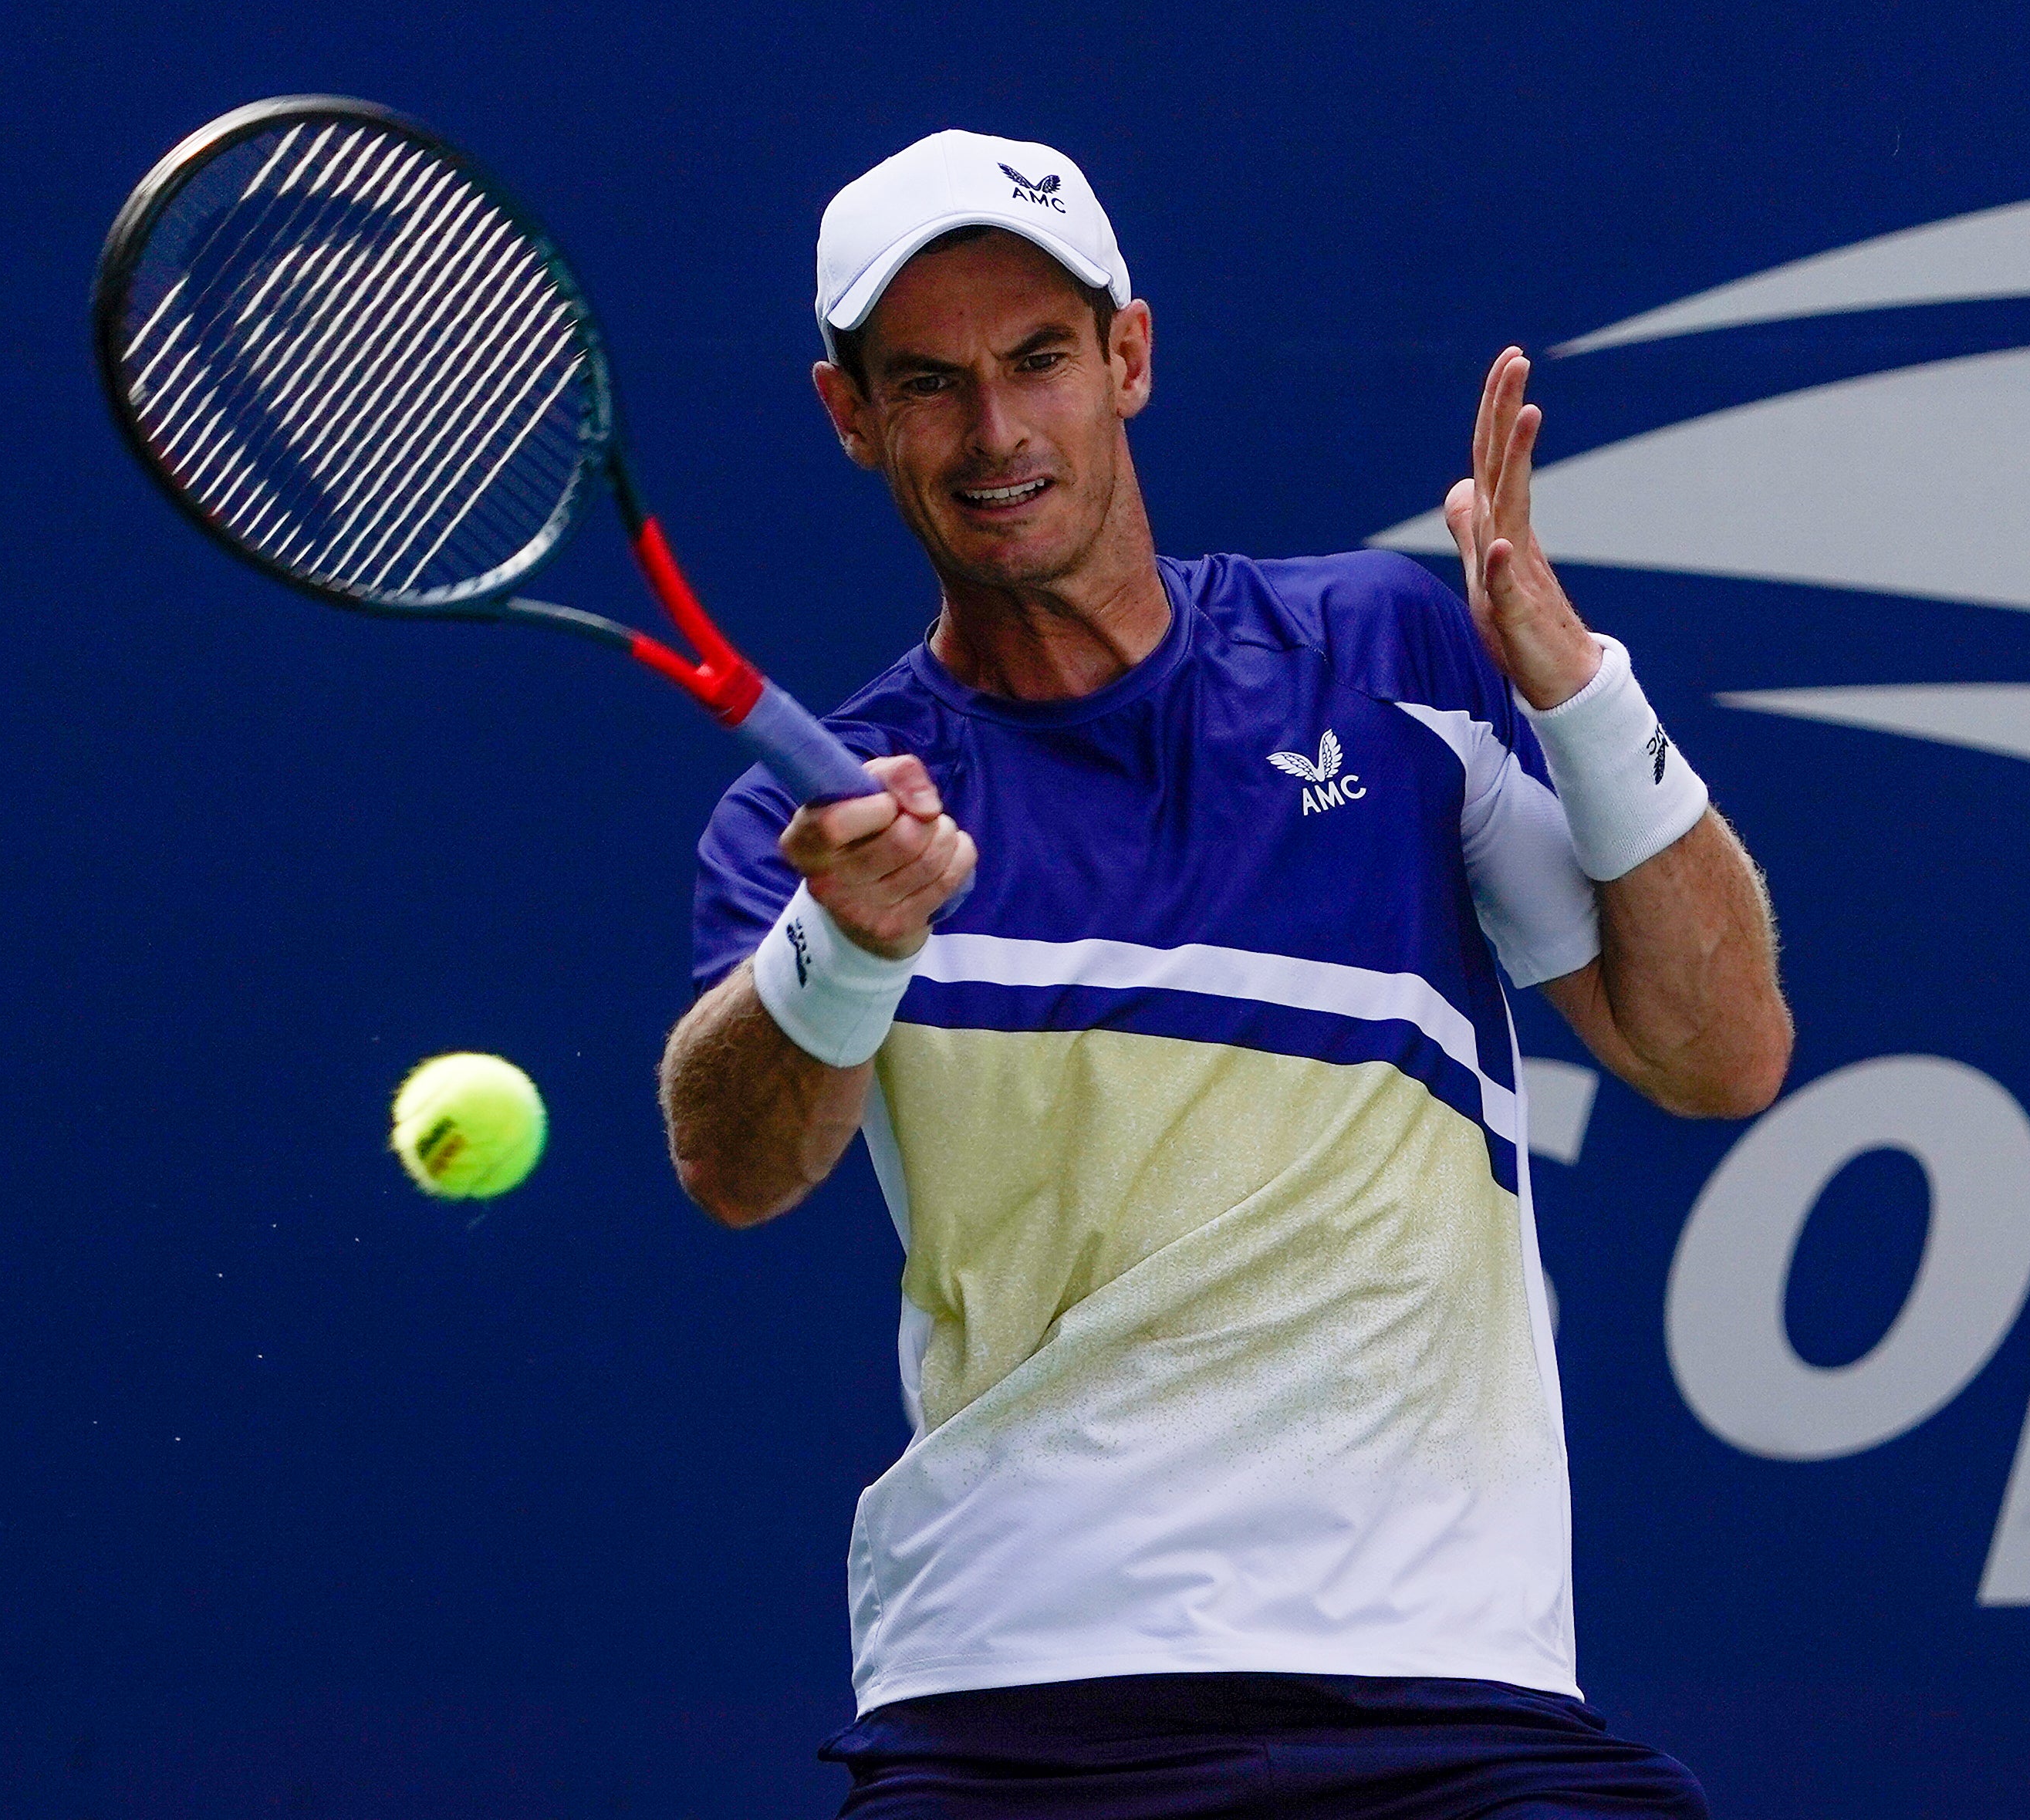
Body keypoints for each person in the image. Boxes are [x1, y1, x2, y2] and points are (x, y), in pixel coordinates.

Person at [659, 128, 1792, 1819]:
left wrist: (1575, 683)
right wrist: (849, 943)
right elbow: (733, 1169)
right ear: (851, 415)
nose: (994, 433)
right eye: (929, 383)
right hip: (1016, 1701)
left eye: (1038, 359)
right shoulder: (815, 821)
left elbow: (1717, 1052)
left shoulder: (1390, 655)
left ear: (1128, 355)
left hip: (1444, 1687)